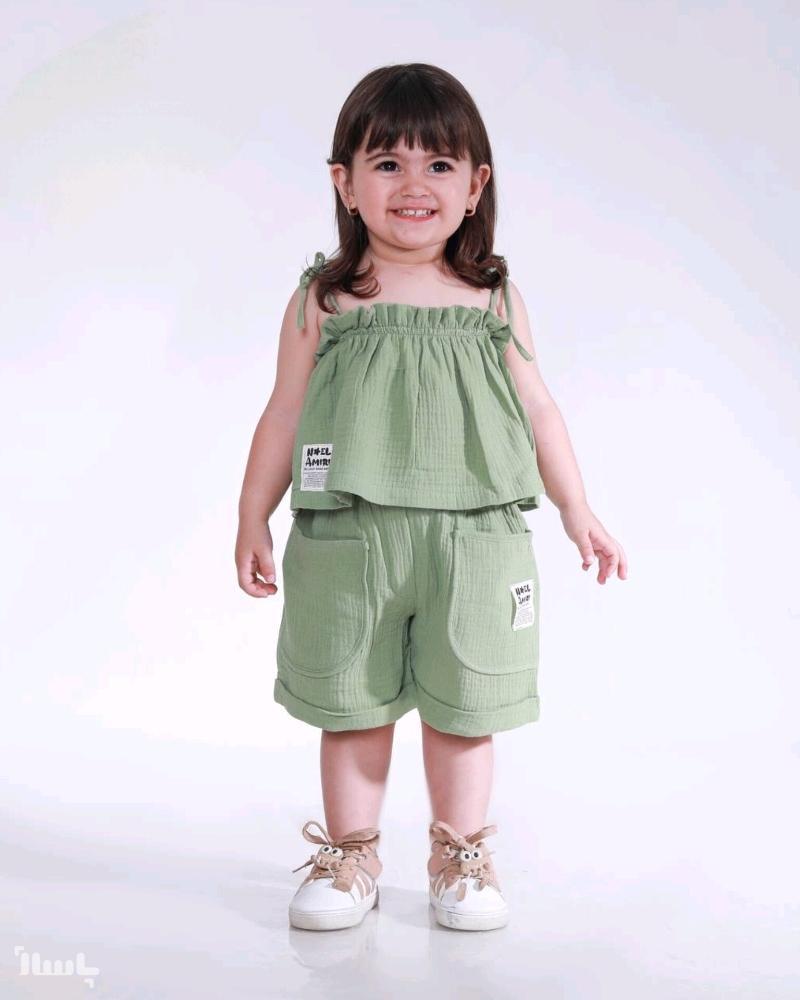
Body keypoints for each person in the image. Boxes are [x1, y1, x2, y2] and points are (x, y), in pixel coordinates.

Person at [235, 63, 628, 933]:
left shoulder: (493, 300)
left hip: (478, 538)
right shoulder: (326, 299)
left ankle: (460, 855)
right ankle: (351, 856)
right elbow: (284, 411)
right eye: (387, 163)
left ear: (476, 184)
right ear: (345, 183)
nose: (414, 184)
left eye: (439, 165)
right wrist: (250, 513)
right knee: (351, 704)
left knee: (465, 707)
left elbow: (540, 409)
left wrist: (577, 509)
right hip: (348, 537)